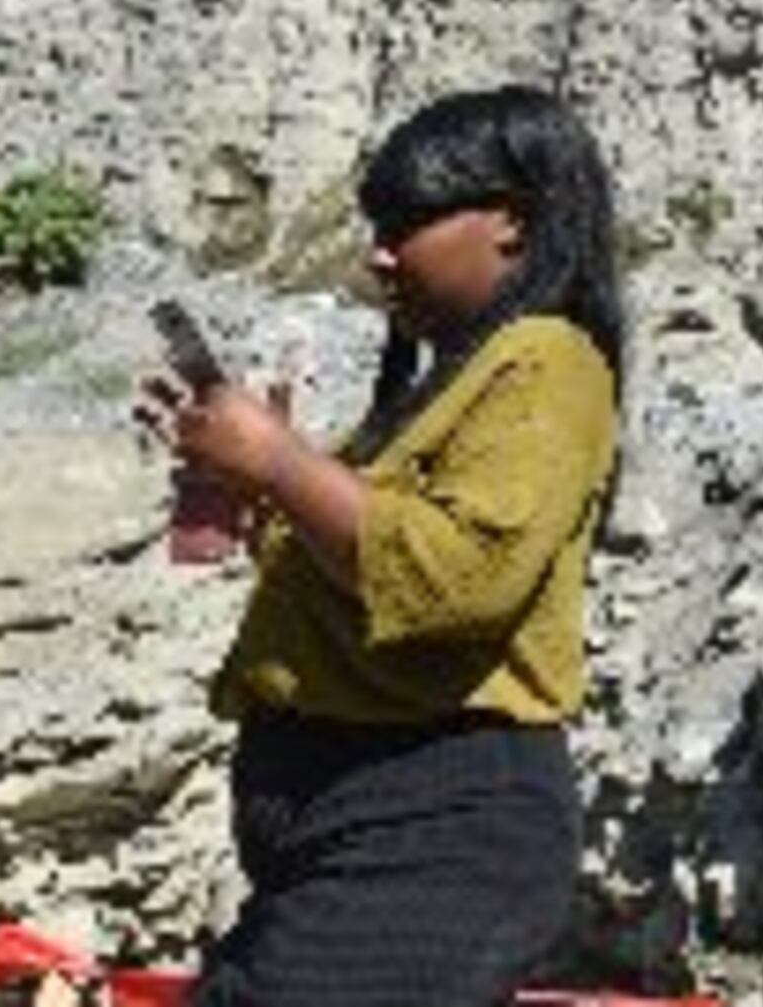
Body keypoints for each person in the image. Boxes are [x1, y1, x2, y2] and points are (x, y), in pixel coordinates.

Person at [141, 84, 630, 1006]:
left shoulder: (548, 358)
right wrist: (257, 489)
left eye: (404, 222)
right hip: (353, 820)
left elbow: (456, 578)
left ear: (510, 223)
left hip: (433, 827)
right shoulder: (458, 381)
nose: (377, 252)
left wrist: (280, 462)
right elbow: (370, 581)